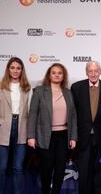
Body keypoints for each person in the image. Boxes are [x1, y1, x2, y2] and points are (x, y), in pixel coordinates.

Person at [27, 63, 77, 194]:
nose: (57, 75)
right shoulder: (39, 91)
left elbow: (73, 116)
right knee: (46, 169)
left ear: (63, 76)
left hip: (63, 136)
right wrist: (31, 136)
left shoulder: (68, 93)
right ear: (49, 75)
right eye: (54, 72)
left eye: (59, 73)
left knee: (60, 170)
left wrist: (73, 137)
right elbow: (32, 114)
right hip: (45, 136)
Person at [71, 61, 101, 194]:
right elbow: (72, 114)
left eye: (96, 70)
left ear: (100, 72)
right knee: (84, 171)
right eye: (90, 71)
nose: (93, 73)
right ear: (86, 72)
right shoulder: (76, 87)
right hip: (83, 137)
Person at [0, 57, 32, 194]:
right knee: (1, 167)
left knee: (18, 167)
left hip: (22, 128)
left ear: (22, 70)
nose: (15, 71)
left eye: (18, 68)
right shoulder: (0, 87)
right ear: (8, 69)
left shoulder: (27, 88)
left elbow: (29, 113)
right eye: (12, 67)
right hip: (3, 128)